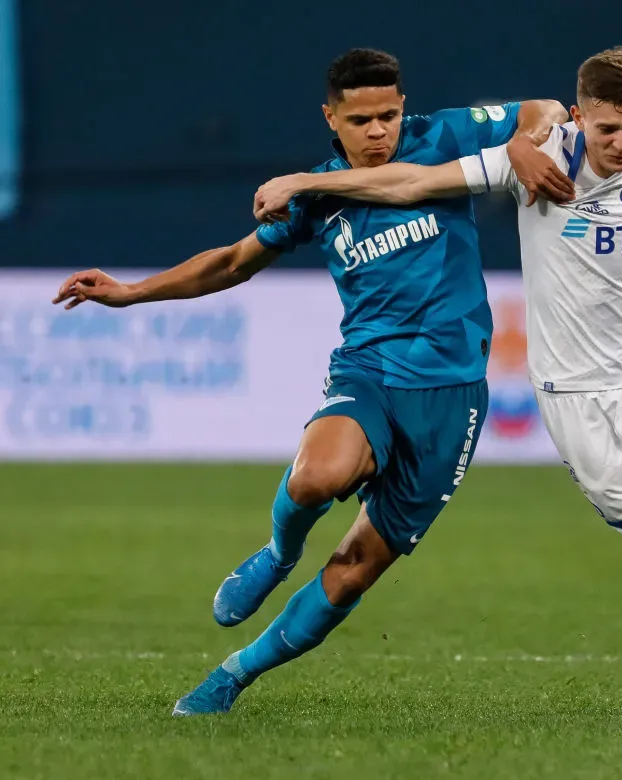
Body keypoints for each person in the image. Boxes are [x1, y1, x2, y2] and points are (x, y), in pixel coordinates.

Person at [255, 46, 622, 721]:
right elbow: (408, 183)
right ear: (579, 117)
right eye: (605, 129)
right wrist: (303, 182)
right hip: (572, 398)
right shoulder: (536, 160)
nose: (620, 144)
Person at [51, 48, 573, 716]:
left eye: (388, 114)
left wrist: (527, 143)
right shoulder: (316, 191)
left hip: (453, 395)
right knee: (315, 478)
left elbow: (545, 110)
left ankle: (232, 676)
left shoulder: (442, 137)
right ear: (332, 117)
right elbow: (234, 262)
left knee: (354, 569)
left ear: (403, 107)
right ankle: (278, 551)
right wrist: (130, 293)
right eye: (362, 120)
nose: (379, 131)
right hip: (372, 370)